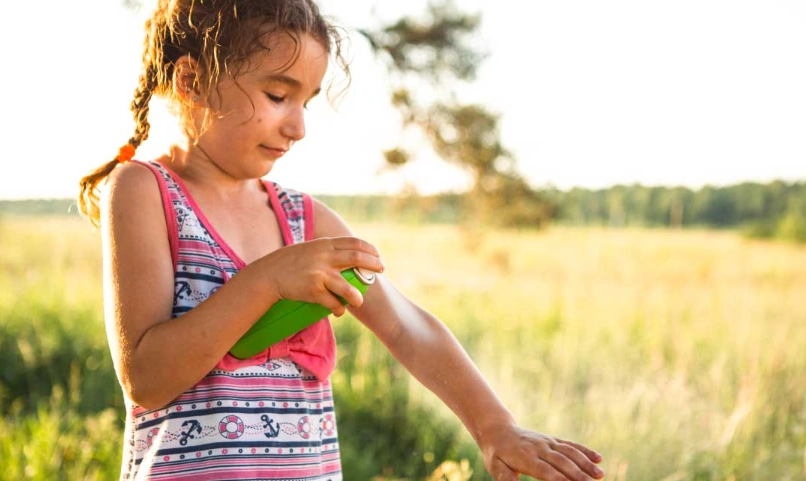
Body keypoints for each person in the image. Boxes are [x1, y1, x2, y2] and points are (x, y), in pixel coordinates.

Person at [78, 1, 605, 480]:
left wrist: (495, 427)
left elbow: (407, 325)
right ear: (191, 81)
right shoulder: (146, 191)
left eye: (306, 101)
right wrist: (266, 282)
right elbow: (145, 377)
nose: (299, 127)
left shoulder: (306, 221)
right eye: (278, 95)